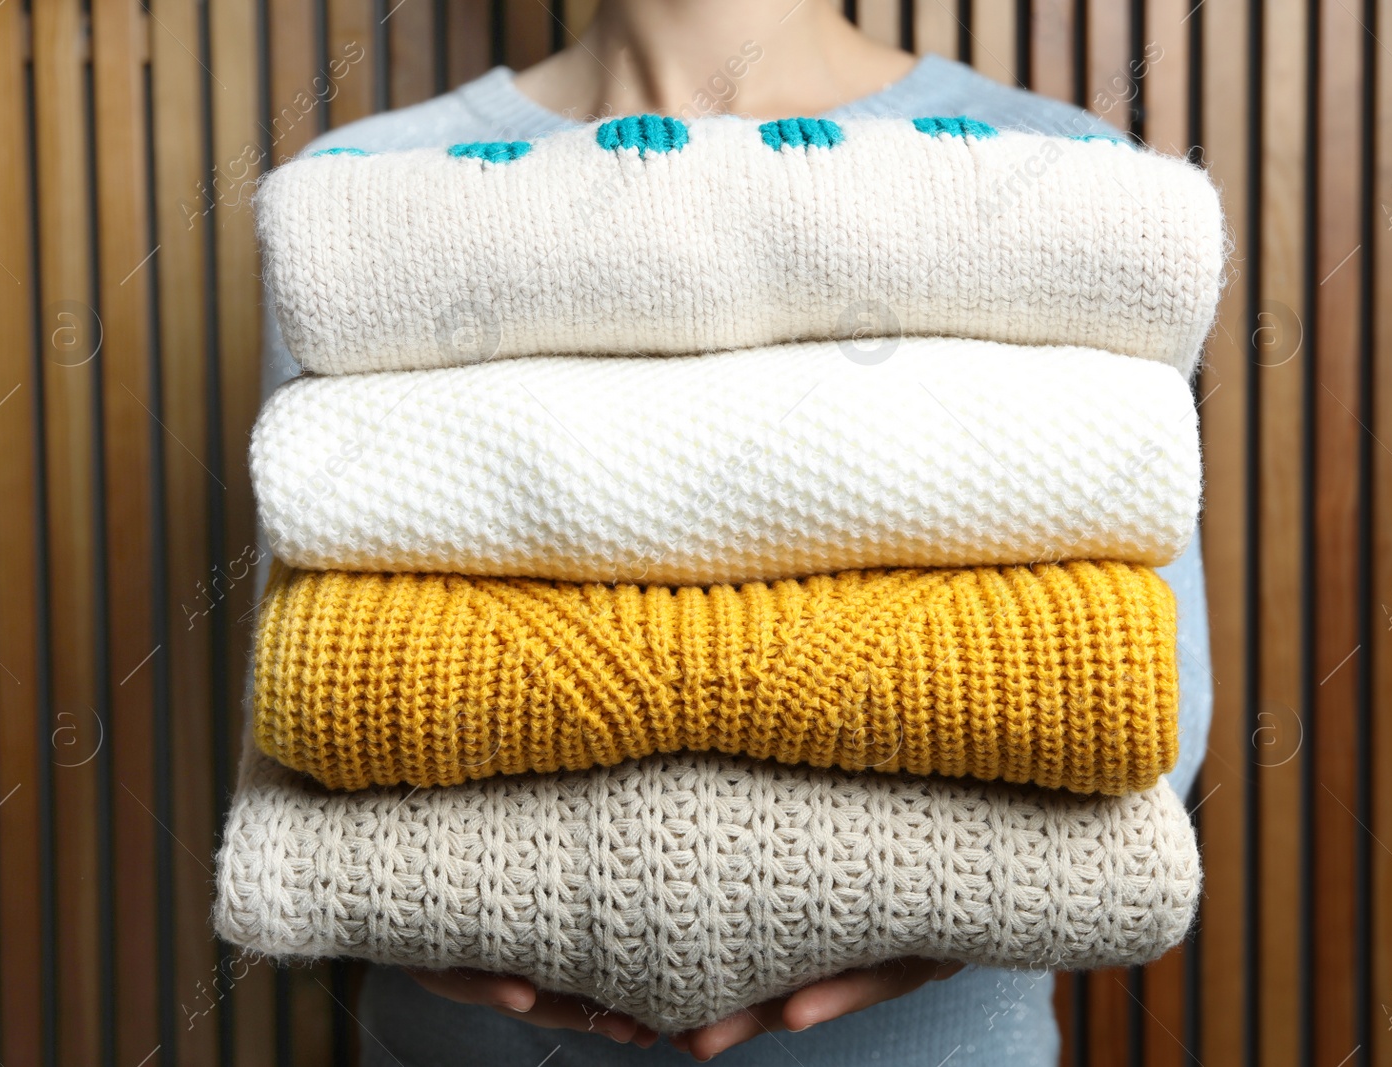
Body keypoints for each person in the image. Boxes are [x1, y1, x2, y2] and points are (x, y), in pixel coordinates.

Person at [264, 1, 1214, 1062]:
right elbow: (310, 675)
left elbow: (1136, 694)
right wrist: (395, 893)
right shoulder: (370, 202)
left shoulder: (1062, 182)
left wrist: (973, 895)